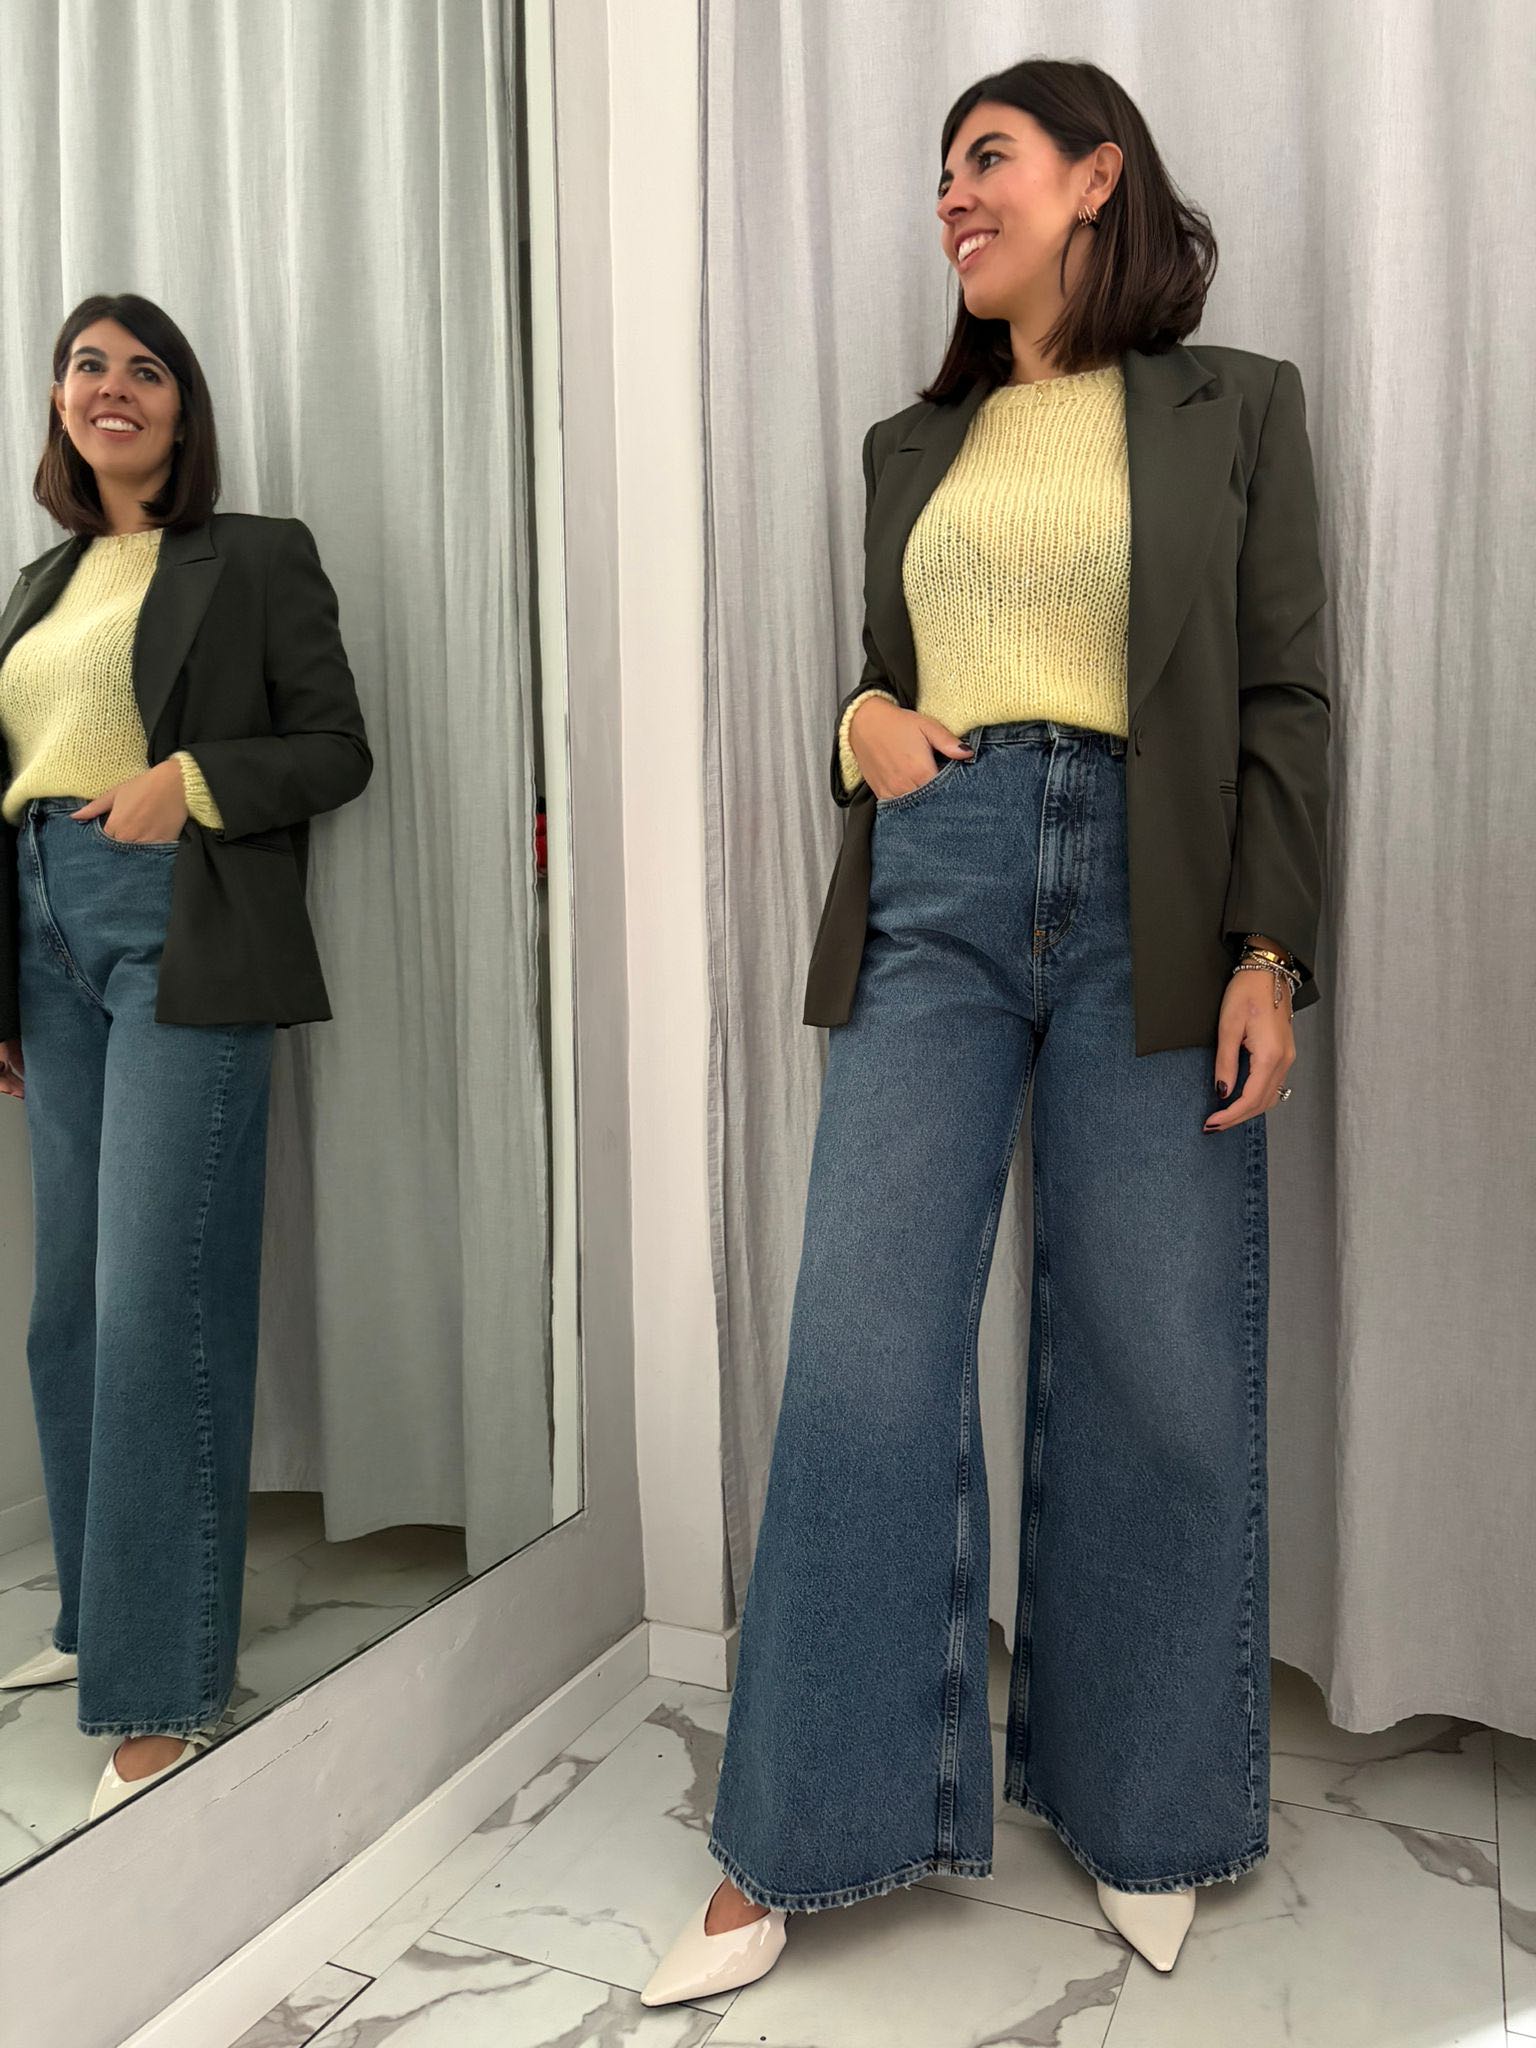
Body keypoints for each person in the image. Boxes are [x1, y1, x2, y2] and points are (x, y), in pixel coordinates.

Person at [643, 56, 1328, 2005]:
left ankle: (1147, 1810)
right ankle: (793, 1830)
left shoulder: (1232, 406)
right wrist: (856, 726)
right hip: (937, 885)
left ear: (1100, 178)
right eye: (942, 171)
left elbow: (1284, 693)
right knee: (861, 1342)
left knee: (1159, 1355)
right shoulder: (912, 442)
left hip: (1154, 892)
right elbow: (885, 678)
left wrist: (1271, 947)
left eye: (990, 158)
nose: (954, 195)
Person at [0, 293, 372, 1821]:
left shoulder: (257, 556)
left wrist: (192, 780)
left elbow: (336, 748)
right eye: (88, 365)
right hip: (43, 929)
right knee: (70, 1310)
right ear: (59, 403)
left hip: (181, 925)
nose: (114, 386)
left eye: (144, 368)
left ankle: (163, 1689)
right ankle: (103, 1617)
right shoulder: (38, 581)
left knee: (158, 1299)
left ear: (181, 406)